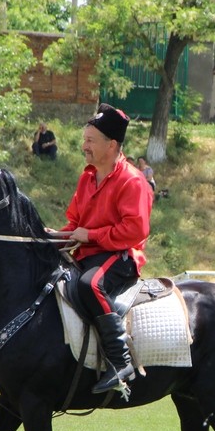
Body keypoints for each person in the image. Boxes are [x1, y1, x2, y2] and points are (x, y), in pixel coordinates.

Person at [61, 104, 155, 394]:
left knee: (90, 285)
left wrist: (89, 235)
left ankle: (120, 361)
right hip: (89, 254)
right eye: (85, 139)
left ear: (111, 144)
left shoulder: (132, 180)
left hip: (122, 257)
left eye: (90, 140)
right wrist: (48, 238)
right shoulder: (86, 177)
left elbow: (135, 231)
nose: (83, 146)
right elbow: (74, 223)